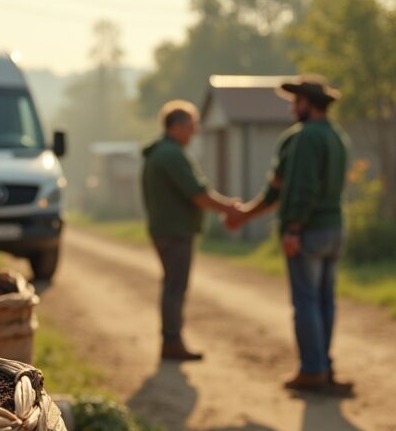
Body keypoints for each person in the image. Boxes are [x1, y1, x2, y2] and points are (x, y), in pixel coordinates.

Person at [228, 76, 350, 391]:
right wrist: (246, 214)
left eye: (296, 102)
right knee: (325, 301)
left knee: (306, 302)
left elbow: (295, 188)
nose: (292, 108)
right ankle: (324, 365)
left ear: (308, 103)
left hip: (308, 231)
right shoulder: (336, 136)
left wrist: (293, 227)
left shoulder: (304, 137)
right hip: (334, 229)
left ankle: (312, 370)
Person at [141, 100, 242, 361]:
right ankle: (172, 341)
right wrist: (229, 208)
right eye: (190, 126)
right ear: (174, 127)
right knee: (175, 288)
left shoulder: (161, 152)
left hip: (166, 229)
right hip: (175, 231)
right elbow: (197, 193)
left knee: (172, 286)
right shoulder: (171, 154)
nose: (194, 131)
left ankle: (172, 340)